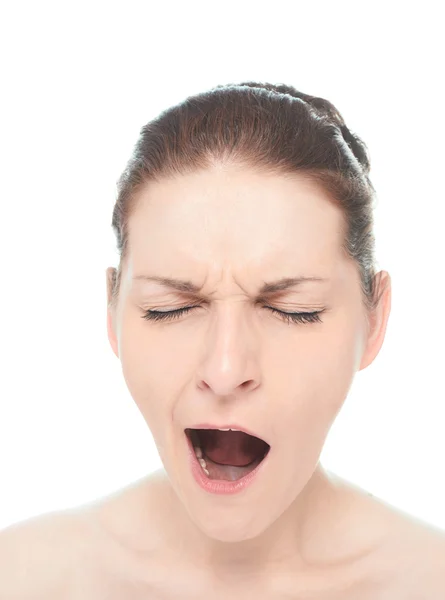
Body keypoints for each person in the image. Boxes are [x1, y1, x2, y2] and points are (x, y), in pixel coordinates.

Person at [1, 81, 444, 599]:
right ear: (113, 313)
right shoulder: (21, 576)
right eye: (172, 309)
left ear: (375, 319)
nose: (226, 368)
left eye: (292, 311)